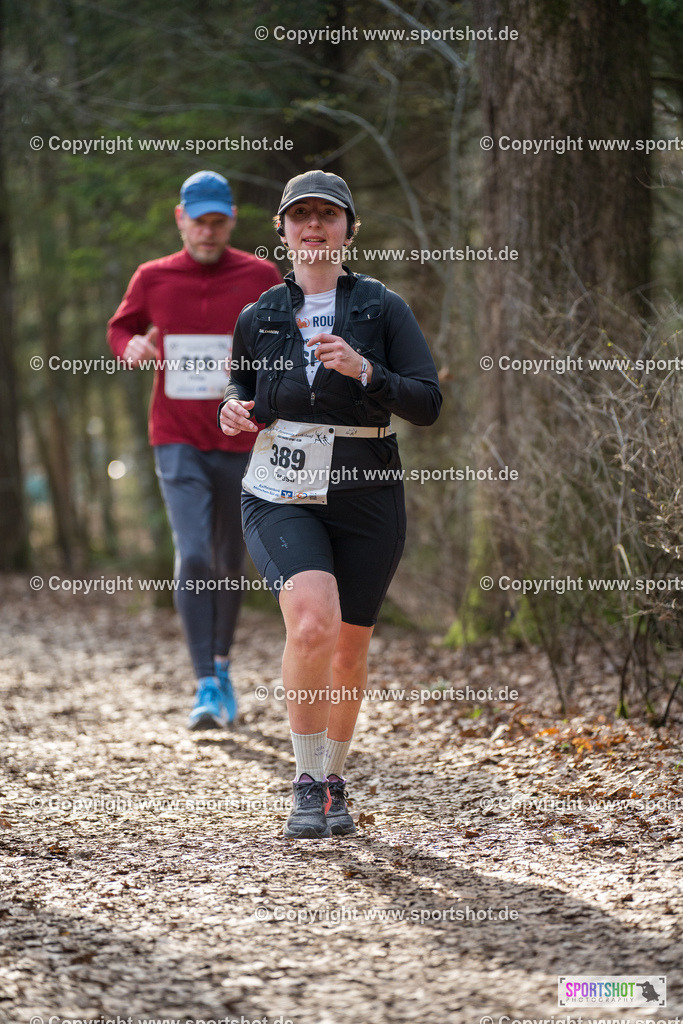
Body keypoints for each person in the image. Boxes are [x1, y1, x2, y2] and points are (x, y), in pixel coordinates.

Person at [219, 169, 442, 838]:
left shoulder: (380, 308)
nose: (313, 227)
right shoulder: (257, 314)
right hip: (279, 489)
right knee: (312, 621)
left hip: (366, 488)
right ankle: (304, 782)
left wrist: (365, 370)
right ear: (282, 231)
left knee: (347, 648)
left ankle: (334, 781)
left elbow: (427, 402)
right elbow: (240, 385)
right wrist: (235, 409)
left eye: (327, 215)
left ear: (348, 230)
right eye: (300, 216)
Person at [108, 171, 281, 730]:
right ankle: (205, 683)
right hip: (176, 437)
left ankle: (225, 669)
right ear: (180, 219)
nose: (207, 232)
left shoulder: (258, 274)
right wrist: (129, 346)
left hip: (241, 435)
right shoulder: (153, 277)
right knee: (195, 553)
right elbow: (121, 327)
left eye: (217, 221)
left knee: (231, 559)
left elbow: (283, 336)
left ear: (231, 221)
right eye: (197, 221)